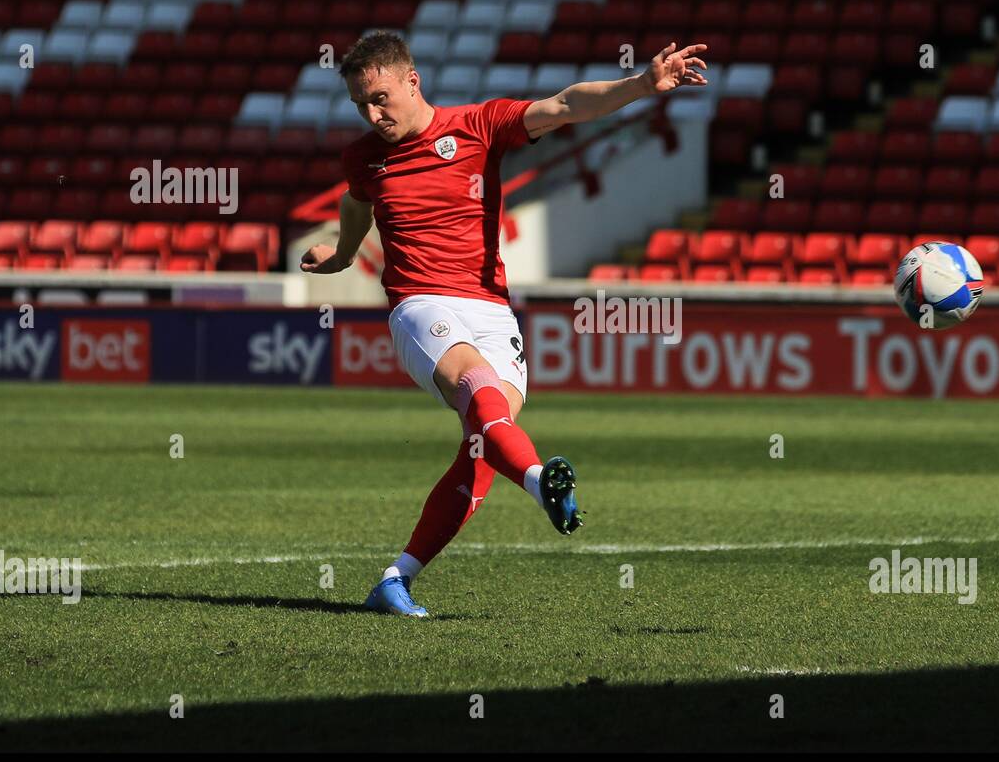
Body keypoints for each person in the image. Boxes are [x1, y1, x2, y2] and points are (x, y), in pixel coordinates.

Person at [300, 30, 708, 616]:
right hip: (420, 304)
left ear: (412, 80)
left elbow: (566, 106)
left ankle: (396, 579)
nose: (373, 113)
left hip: (491, 308)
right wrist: (342, 256)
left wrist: (643, 84)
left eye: (381, 97)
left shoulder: (479, 125)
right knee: (478, 389)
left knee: (484, 443)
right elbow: (356, 201)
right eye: (361, 104)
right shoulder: (364, 156)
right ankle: (544, 483)